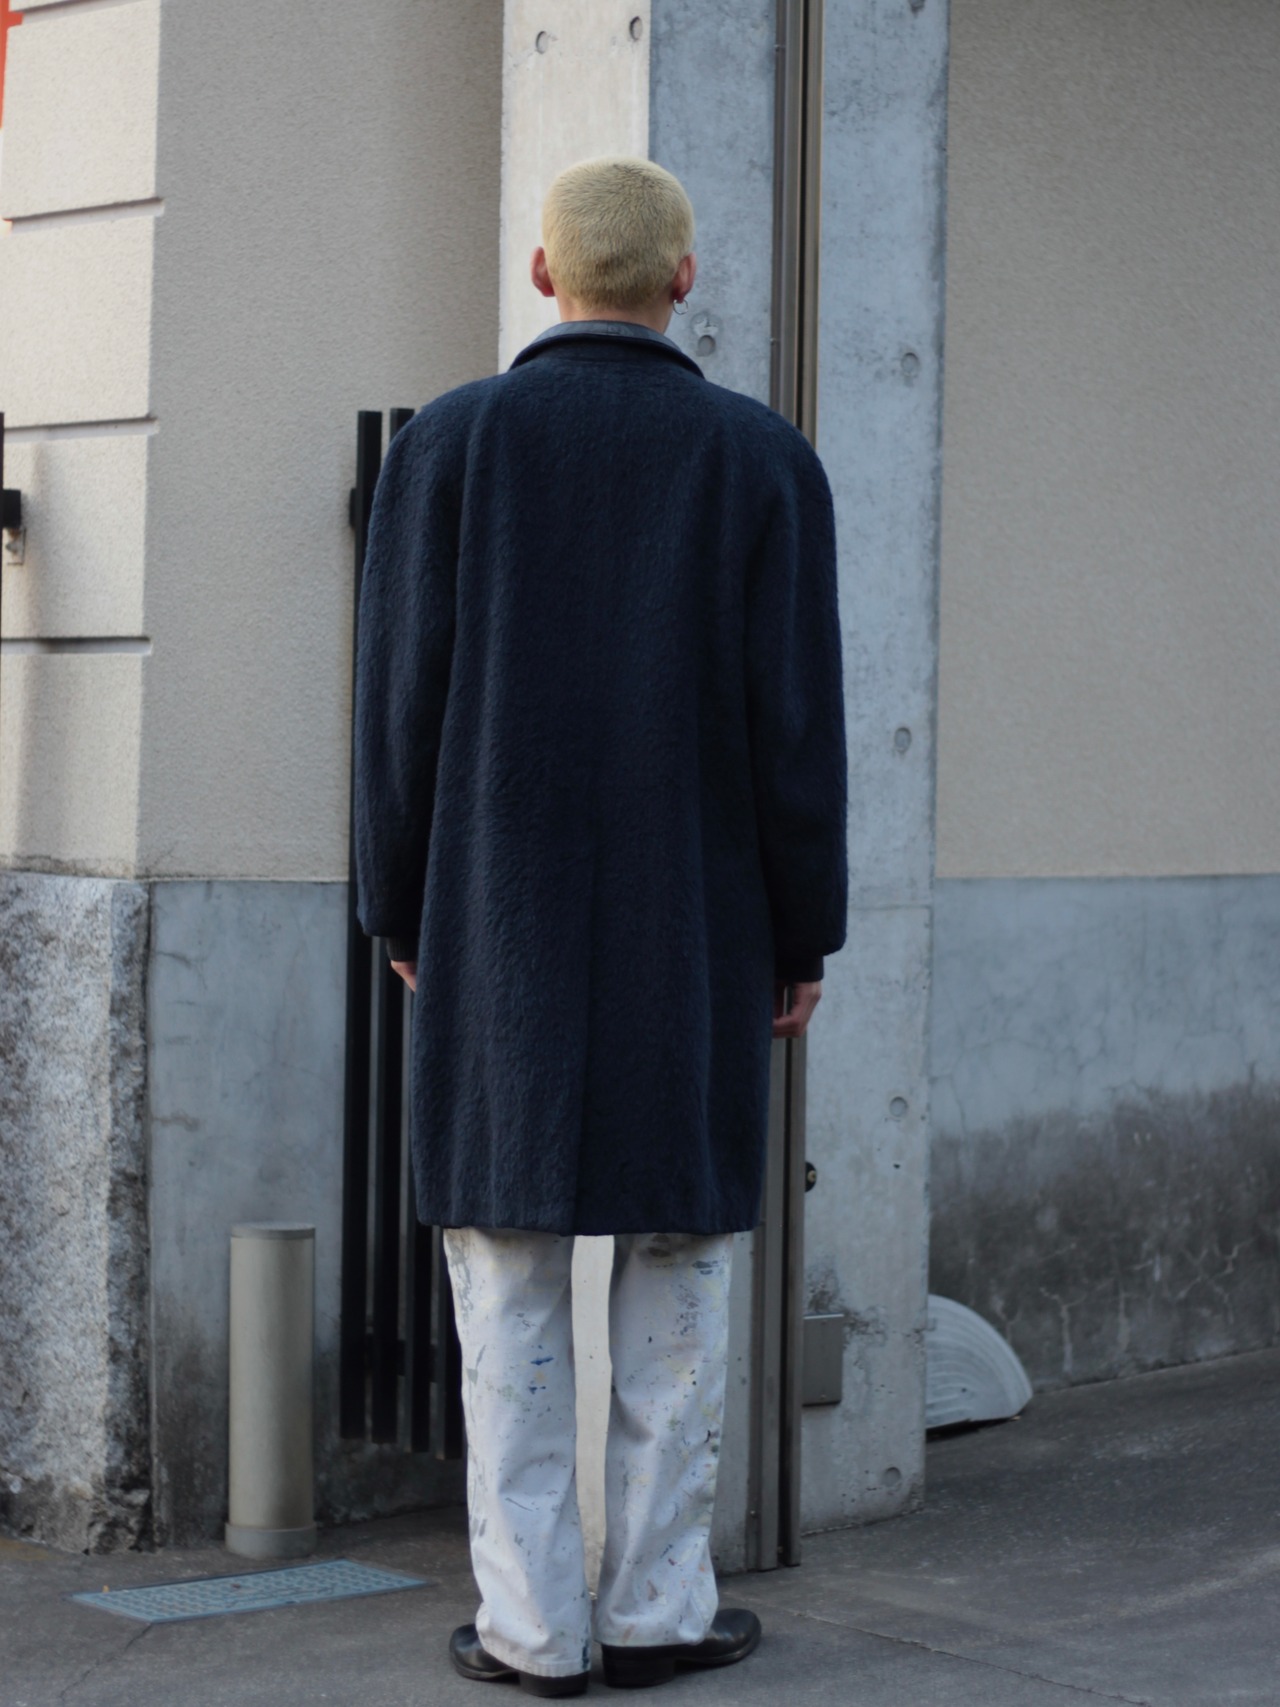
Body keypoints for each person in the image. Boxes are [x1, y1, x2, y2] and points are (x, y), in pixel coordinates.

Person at [354, 156, 847, 1696]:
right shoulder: (763, 461)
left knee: (504, 1279)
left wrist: (398, 903)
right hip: (694, 926)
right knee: (678, 1273)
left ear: (542, 273)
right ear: (684, 279)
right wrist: (802, 934)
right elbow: (796, 731)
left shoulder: (450, 447)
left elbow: (399, 710)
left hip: (493, 917)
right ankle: (655, 1613)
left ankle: (530, 1632)